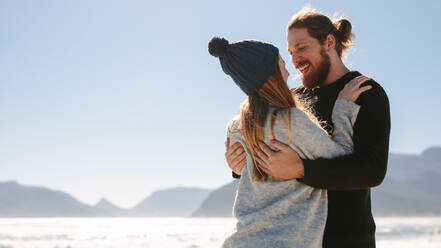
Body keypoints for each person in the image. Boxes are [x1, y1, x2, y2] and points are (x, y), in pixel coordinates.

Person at [225, 8, 391, 248]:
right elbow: (269, 159)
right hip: (293, 239)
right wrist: (238, 166)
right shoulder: (294, 100)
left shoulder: (365, 93)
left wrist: (301, 169)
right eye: (290, 52)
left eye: (301, 48)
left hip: (349, 240)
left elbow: (372, 171)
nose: (295, 59)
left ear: (329, 43)